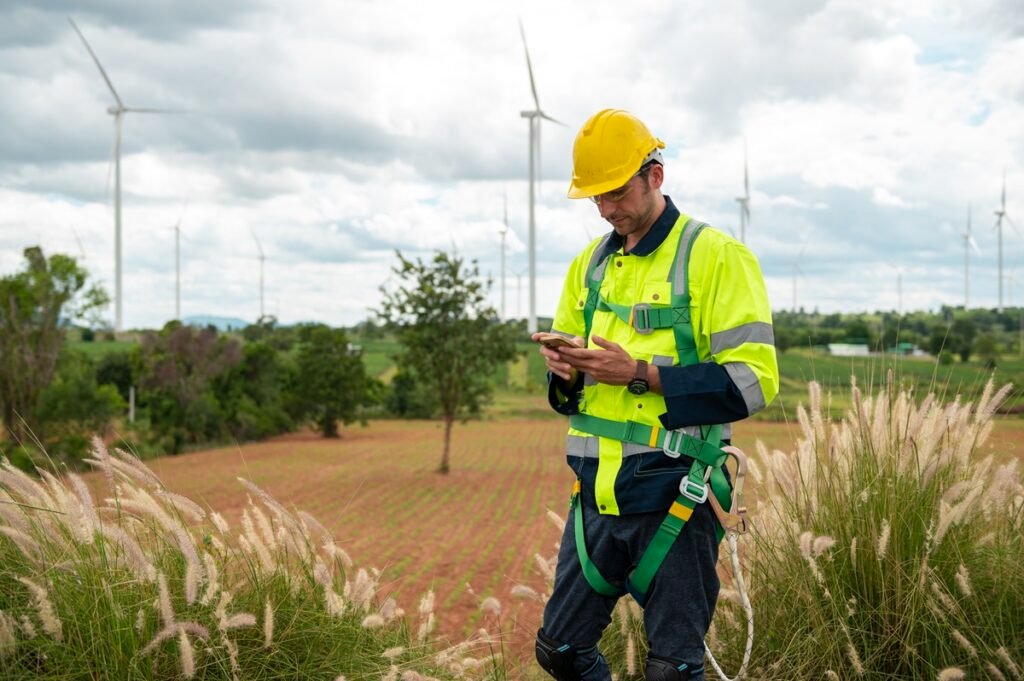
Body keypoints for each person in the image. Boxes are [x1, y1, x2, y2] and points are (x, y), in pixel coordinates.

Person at [531, 109, 779, 681]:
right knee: (560, 652)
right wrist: (565, 373)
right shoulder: (589, 266)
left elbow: (754, 381)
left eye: (616, 192)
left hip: (677, 491)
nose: (606, 209)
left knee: (672, 670)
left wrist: (641, 372)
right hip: (594, 496)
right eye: (595, 199)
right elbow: (570, 395)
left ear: (655, 176)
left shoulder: (716, 257)